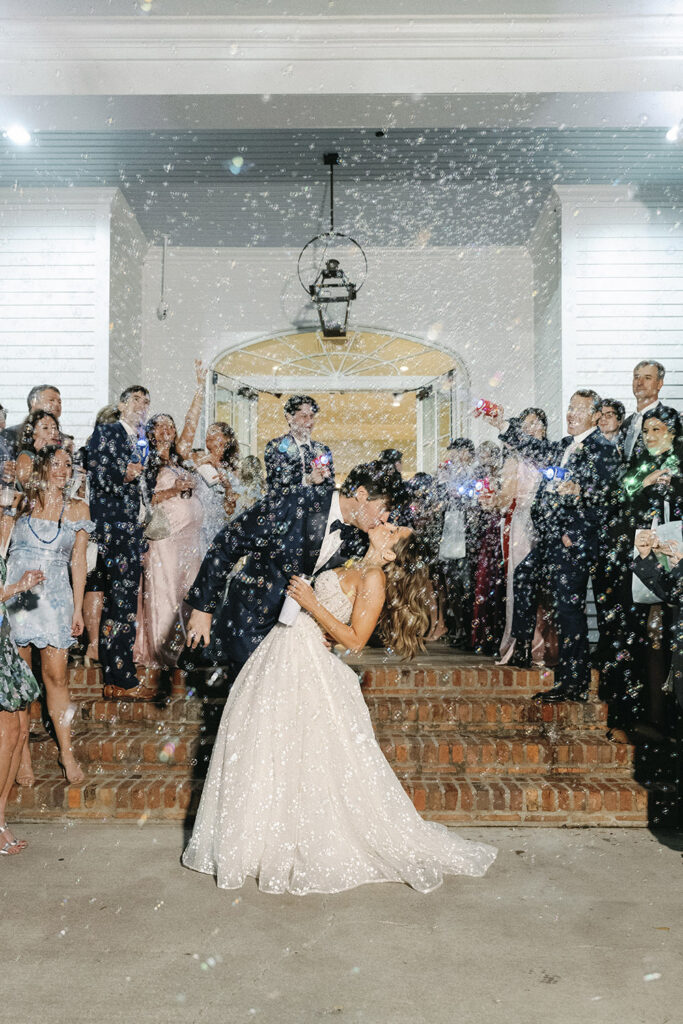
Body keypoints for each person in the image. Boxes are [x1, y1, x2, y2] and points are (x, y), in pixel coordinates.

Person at [182, 522, 497, 894]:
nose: (386, 524)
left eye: (393, 530)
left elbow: (356, 640)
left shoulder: (375, 578)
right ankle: (263, 840)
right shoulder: (353, 564)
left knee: (306, 752)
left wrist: (313, 604)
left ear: (392, 552)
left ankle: (298, 843)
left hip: (306, 662)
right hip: (281, 651)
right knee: (267, 745)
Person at [183, 461, 397, 680]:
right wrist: (203, 607)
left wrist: (333, 629)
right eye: (383, 508)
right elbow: (228, 542)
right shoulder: (294, 502)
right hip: (251, 625)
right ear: (361, 494)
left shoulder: (359, 539)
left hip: (298, 642)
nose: (385, 518)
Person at [488, 390, 623, 702]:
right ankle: (524, 644)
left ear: (595, 416)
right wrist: (502, 426)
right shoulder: (564, 445)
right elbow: (534, 448)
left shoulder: (602, 448)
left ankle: (573, 684)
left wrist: (578, 510)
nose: (572, 413)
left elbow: (611, 497)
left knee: (569, 611)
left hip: (573, 542)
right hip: (550, 538)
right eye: (570, 407)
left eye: (579, 409)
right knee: (524, 577)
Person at [4, 446, 93, 786]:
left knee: (57, 677)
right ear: (41, 467)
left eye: (68, 465)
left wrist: (78, 608)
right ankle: (21, 753)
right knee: (22, 681)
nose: (62, 470)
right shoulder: (21, 503)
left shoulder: (78, 508)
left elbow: (79, 562)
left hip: (56, 598)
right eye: (55, 463)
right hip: (20, 599)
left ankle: (66, 752)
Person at [133, 390, 207, 670]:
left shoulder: (180, 463)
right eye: (159, 425)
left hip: (190, 541)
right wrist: (172, 491)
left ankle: (187, 648)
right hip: (165, 540)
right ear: (150, 433)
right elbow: (141, 501)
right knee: (165, 595)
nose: (166, 429)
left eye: (170, 425)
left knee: (188, 595)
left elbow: (192, 422)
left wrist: (199, 388)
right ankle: (165, 653)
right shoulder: (146, 462)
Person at [87, 385, 151, 699]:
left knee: (124, 603)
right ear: (122, 405)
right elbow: (96, 473)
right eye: (136, 400)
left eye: (146, 402)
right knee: (121, 603)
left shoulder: (142, 438)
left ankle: (119, 677)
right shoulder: (107, 432)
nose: (142, 405)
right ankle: (121, 679)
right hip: (114, 529)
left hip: (132, 531)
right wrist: (120, 475)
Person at [0, 543, 43, 855]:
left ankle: (0, 820)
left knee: (17, 732)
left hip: (3, 642)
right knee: (5, 735)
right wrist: (19, 586)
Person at [436, 438, 477, 648]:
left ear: (467, 453)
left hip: (467, 537)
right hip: (451, 532)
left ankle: (468, 633)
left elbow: (473, 503)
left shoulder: (474, 474)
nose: (452, 458)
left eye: (456, 453)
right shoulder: (449, 476)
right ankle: (458, 629)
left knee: (466, 588)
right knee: (453, 587)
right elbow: (440, 500)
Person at [264, 395, 334, 491]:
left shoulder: (322, 449)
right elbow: (277, 484)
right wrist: (307, 480)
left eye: (312, 416)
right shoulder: (276, 447)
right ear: (289, 417)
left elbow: (330, 485)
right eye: (304, 416)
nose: (309, 421)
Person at [618, 361, 680, 464]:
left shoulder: (672, 420)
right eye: (636, 377)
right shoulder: (626, 423)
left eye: (647, 378)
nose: (640, 382)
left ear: (659, 384)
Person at [193, 421, 240, 557]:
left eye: (214, 431)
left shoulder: (234, 472)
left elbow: (230, 510)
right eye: (208, 432)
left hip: (220, 530)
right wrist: (203, 461)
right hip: (198, 528)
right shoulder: (199, 462)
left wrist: (228, 487)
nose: (209, 434)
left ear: (227, 439)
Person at [1, 385, 62, 460]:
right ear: (34, 402)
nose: (57, 404)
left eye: (59, 402)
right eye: (51, 400)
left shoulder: (62, 438)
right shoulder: (10, 435)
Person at [15, 410, 61, 490]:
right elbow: (29, 487)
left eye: (54, 427)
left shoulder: (59, 458)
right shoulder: (25, 456)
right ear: (33, 435)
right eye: (45, 428)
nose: (52, 432)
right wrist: (41, 455)